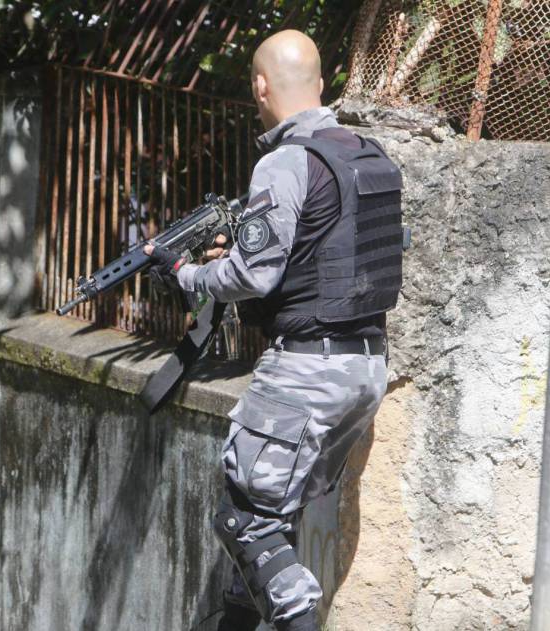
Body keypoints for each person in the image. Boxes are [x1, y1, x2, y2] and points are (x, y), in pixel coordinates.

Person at [145, 29, 405, 631]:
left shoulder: (286, 161)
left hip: (307, 368)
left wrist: (187, 273)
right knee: (275, 509)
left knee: (246, 518)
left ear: (260, 87)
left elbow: (253, 276)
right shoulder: (367, 156)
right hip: (365, 367)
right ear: (321, 84)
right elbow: (332, 253)